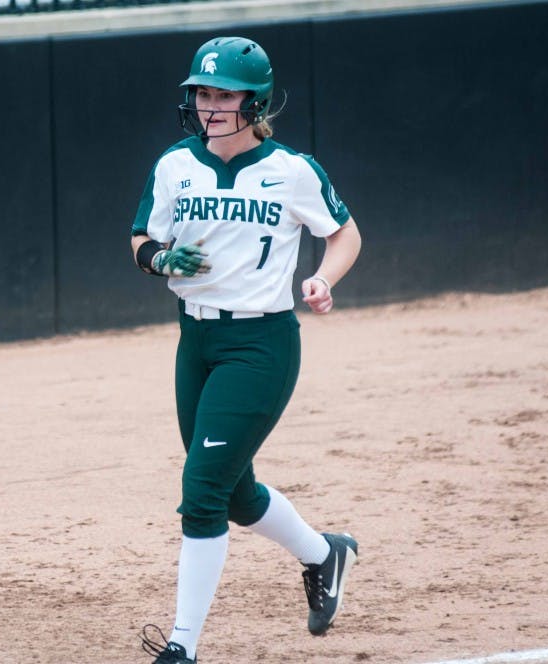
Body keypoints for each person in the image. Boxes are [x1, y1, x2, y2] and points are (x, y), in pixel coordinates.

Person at [130, 37, 363, 663]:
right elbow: (140, 239)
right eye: (202, 93)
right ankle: (323, 554)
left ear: (254, 101)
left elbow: (344, 235)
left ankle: (181, 647)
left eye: (223, 94)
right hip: (195, 339)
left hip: (259, 343)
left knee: (201, 493)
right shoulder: (175, 165)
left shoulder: (291, 171)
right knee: (232, 494)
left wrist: (322, 278)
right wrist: (159, 259)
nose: (210, 105)